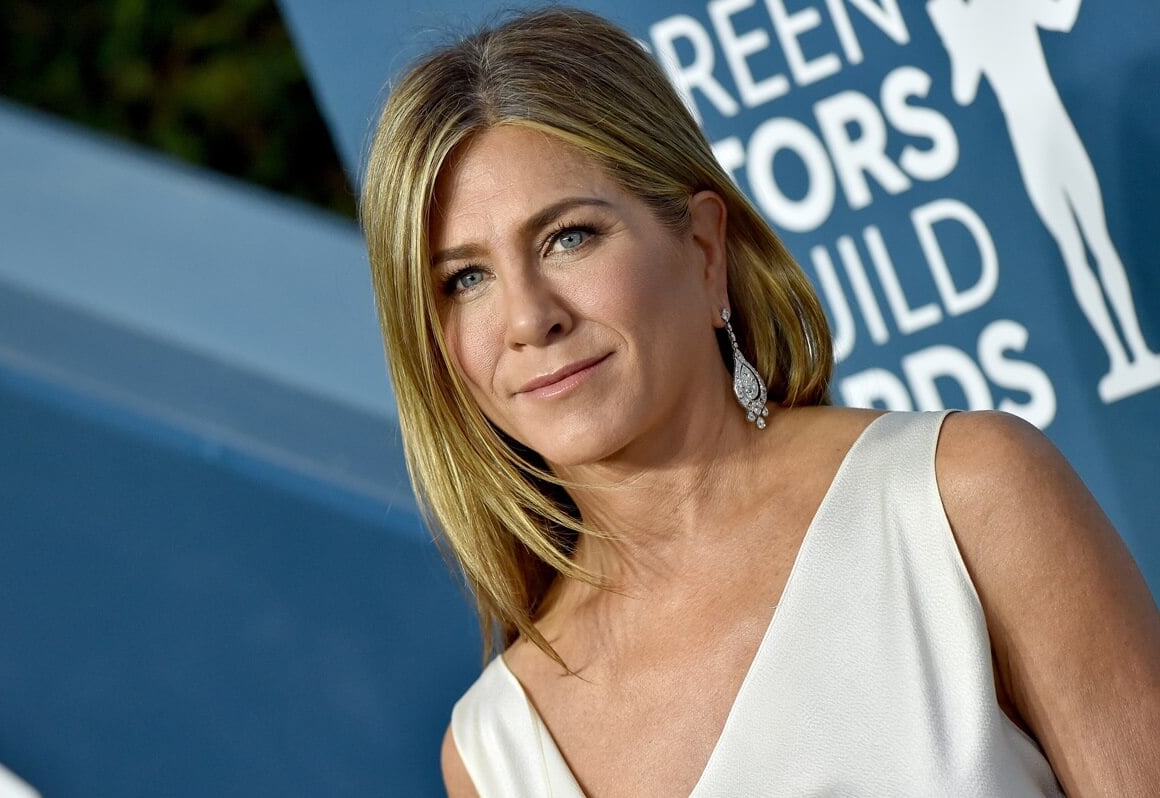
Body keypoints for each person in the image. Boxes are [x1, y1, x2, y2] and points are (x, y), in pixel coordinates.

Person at [360, 7, 1160, 796]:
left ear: (705, 248)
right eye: (465, 280)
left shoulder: (965, 498)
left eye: (569, 237)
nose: (531, 318)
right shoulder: (496, 751)